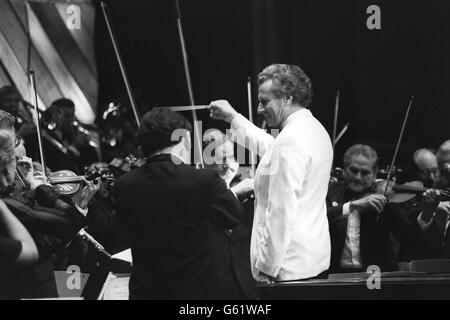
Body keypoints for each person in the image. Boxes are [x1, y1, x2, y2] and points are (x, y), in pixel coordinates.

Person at [210, 63, 333, 282]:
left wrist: (266, 268)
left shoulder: (290, 141)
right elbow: (271, 147)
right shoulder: (313, 129)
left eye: (264, 101)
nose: (259, 109)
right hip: (309, 259)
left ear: (287, 97)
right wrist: (233, 118)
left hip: (286, 269)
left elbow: (281, 211)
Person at [113, 108, 245, 299]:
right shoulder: (203, 180)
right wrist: (236, 190)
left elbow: (125, 235)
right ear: (186, 139)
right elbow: (234, 216)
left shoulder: (122, 186)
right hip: (197, 297)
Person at [203, 129, 257, 299]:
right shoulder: (198, 191)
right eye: (221, 160)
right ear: (207, 162)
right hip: (213, 285)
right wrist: (233, 192)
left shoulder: (250, 189)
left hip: (248, 283)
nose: (228, 165)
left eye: (232, 157)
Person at [326, 145, 396, 272]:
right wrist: (352, 205)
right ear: (344, 170)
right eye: (353, 170)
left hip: (374, 273)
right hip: (334, 272)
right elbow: (321, 218)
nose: (358, 177)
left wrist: (426, 213)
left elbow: (406, 233)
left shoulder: (384, 196)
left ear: (374, 174)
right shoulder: (329, 192)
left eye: (365, 173)